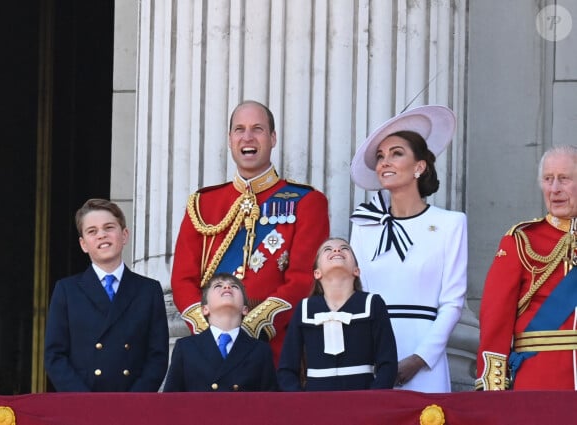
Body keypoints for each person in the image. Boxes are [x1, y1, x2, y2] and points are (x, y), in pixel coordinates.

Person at [171, 100, 330, 363]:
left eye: (257, 129)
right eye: (239, 129)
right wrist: (210, 331)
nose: (248, 137)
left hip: (274, 350)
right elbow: (182, 280)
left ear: (273, 138)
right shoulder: (203, 204)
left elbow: (303, 280)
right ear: (230, 138)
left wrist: (250, 328)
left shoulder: (307, 201)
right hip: (210, 349)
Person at [348, 105, 467, 393]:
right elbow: (354, 293)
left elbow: (452, 303)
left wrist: (419, 359)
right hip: (372, 353)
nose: (384, 162)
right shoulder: (364, 225)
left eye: (396, 153)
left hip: (426, 357)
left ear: (419, 166)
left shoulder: (451, 224)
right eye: (380, 156)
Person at [476, 145, 577, 390]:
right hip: (541, 381)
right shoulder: (521, 241)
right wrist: (492, 389)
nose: (555, 189)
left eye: (564, 179)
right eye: (548, 179)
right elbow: (495, 320)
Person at [44, 198, 169, 392]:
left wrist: (133, 401)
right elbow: (55, 356)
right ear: (83, 244)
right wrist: (84, 401)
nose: (102, 235)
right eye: (92, 231)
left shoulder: (148, 290)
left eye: (109, 227)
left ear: (124, 235)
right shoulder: (67, 290)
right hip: (83, 407)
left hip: (132, 407)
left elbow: (157, 356)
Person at [277, 238, 397, 391]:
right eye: (328, 249)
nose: (336, 250)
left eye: (344, 248)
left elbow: (388, 362)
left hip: (362, 397)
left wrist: (372, 399)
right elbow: (287, 368)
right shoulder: (305, 308)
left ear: (356, 270)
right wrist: (301, 401)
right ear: (317, 273)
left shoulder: (373, 303)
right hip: (315, 400)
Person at [164, 273, 277, 391]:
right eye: (218, 286)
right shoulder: (186, 348)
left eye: (234, 286)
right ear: (205, 309)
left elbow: (269, 402)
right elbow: (171, 401)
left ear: (245, 309)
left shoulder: (260, 350)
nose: (227, 287)